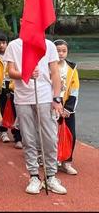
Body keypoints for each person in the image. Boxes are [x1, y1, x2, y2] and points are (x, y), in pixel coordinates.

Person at [3, 37, 67, 195]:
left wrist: (57, 98)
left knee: (50, 138)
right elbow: (10, 72)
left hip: (45, 97)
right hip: (23, 98)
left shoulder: (49, 45)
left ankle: (51, 176)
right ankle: (34, 176)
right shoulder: (14, 45)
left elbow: (55, 72)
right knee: (28, 138)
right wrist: (26, 74)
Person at [0, 33, 22, 147]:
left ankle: (18, 137)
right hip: (1, 87)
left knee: (16, 112)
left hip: (13, 87)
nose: (2, 45)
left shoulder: (14, 56)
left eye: (4, 43)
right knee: (3, 110)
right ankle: (3, 132)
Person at [54, 39, 79, 175]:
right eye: (58, 51)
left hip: (67, 108)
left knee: (70, 135)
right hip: (52, 105)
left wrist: (68, 108)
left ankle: (67, 162)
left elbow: (75, 89)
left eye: (64, 51)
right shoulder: (48, 66)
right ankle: (52, 160)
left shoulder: (72, 68)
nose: (61, 53)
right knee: (52, 134)